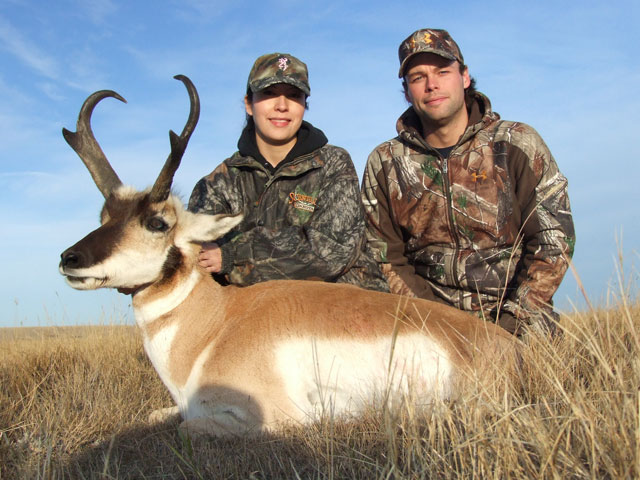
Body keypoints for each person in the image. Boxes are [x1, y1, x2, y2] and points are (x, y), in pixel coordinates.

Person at [361, 29, 575, 335]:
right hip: (427, 327)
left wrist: (512, 324)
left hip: (518, 319)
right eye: (418, 77)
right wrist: (437, 327)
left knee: (534, 375)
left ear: (464, 77)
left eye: (442, 72)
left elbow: (554, 239)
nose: (431, 84)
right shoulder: (384, 162)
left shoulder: (516, 142)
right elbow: (384, 258)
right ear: (407, 91)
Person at [189, 52, 388, 292]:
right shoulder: (218, 183)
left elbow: (333, 250)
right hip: (252, 313)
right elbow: (195, 255)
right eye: (268, 94)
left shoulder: (333, 164)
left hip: (336, 308)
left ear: (304, 105)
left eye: (294, 96)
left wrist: (233, 256)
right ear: (248, 104)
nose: (282, 106)